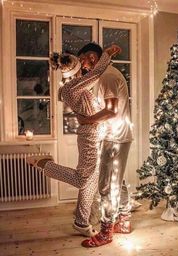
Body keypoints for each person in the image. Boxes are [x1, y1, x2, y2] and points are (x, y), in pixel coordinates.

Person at [27, 45, 120, 237]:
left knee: (91, 182)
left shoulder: (78, 85)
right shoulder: (70, 88)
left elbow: (93, 80)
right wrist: (107, 54)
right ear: (74, 68)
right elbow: (96, 74)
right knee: (82, 180)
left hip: (96, 132)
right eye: (81, 63)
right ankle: (45, 165)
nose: (85, 67)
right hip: (89, 135)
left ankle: (81, 222)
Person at [75, 43, 133, 247]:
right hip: (115, 135)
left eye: (82, 60)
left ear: (92, 57)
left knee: (107, 185)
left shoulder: (107, 76)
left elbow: (110, 111)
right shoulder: (104, 75)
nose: (81, 65)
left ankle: (106, 231)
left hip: (115, 137)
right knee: (118, 180)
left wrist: (87, 120)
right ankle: (124, 221)